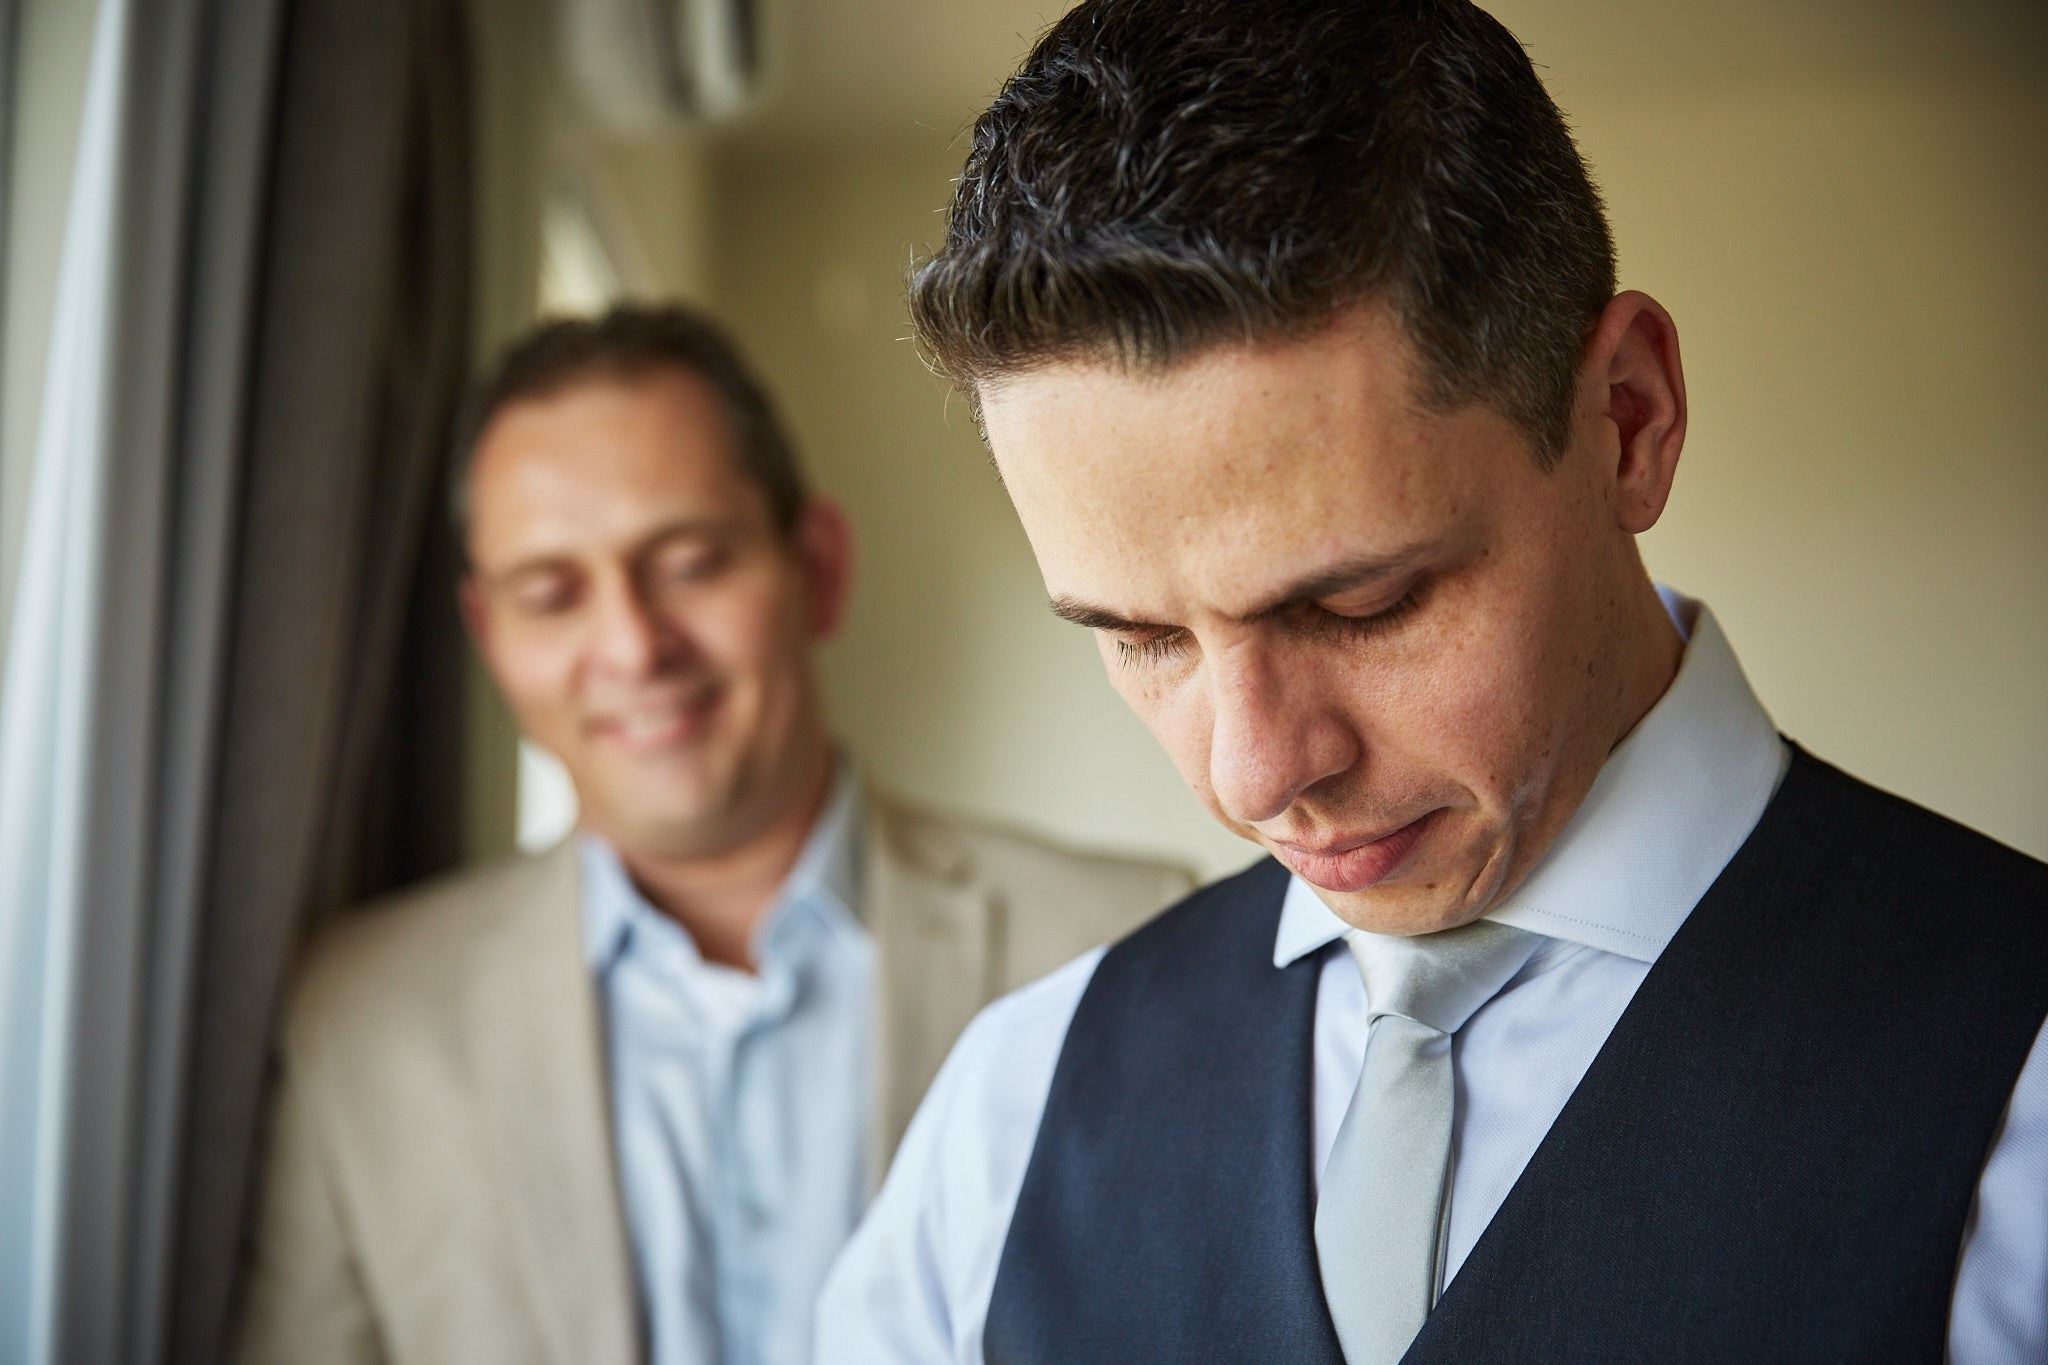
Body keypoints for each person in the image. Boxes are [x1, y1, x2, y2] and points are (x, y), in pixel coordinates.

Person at [815, 2, 2048, 1361]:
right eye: (1141, 639)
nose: (1253, 774)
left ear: (1629, 420)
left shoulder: (2022, 1096)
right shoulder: (1011, 1110)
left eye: (1361, 603)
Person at [230, 304, 1189, 1365]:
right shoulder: (359, 1024)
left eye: (689, 563)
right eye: (550, 594)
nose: (633, 646)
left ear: (814, 568)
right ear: (489, 637)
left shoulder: (1130, 940)